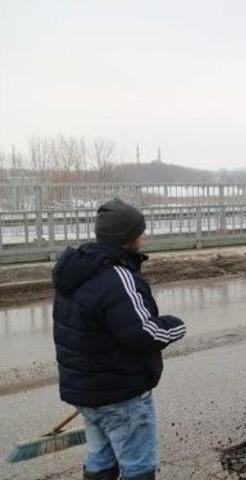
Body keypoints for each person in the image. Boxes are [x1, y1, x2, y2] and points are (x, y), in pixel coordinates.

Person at [53, 198, 186, 480]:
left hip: (89, 393)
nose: (145, 236)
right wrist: (175, 327)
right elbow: (144, 333)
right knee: (138, 467)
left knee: (100, 460)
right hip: (121, 396)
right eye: (141, 231)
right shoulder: (118, 278)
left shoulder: (75, 273)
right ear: (128, 239)